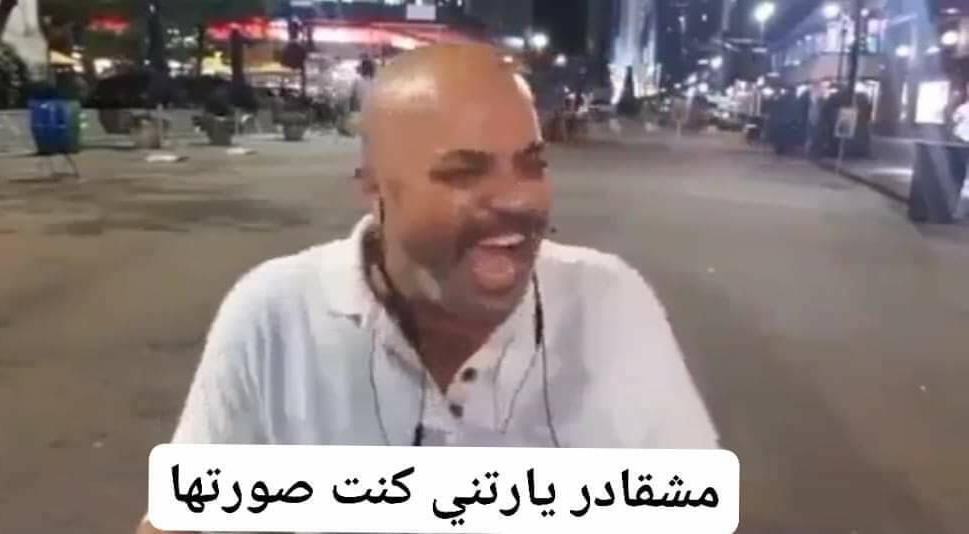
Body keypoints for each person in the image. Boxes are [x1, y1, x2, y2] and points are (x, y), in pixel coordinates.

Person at [135, 43, 718, 534]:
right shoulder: (274, 314)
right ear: (373, 189)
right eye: (463, 172)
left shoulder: (611, 303)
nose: (517, 200)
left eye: (532, 164)